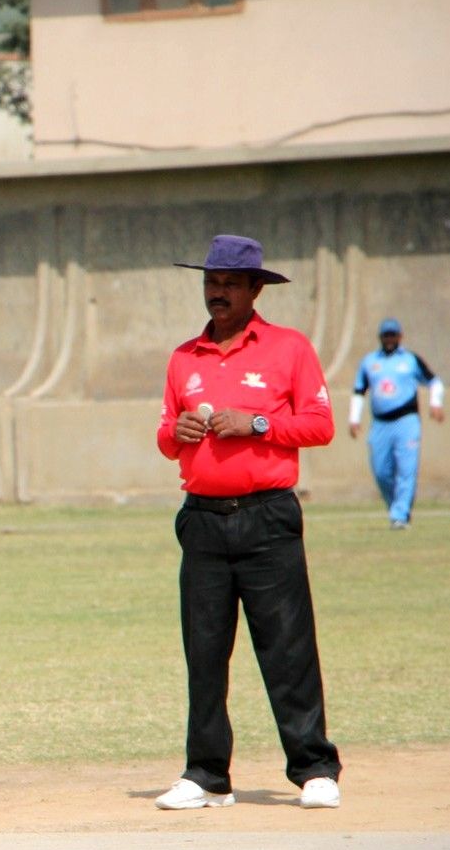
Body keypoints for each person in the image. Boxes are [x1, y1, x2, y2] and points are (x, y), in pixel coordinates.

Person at [155, 234, 342, 811]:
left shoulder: (289, 348)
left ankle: (314, 768)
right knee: (205, 653)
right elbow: (165, 435)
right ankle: (207, 775)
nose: (218, 293)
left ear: (256, 289)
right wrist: (177, 432)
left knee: (287, 648)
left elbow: (320, 425)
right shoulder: (184, 357)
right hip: (203, 521)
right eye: (211, 282)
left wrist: (257, 425)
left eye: (230, 284)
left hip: (268, 517)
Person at [348, 318, 444, 529]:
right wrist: (354, 418)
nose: (389, 339)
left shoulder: (410, 360)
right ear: (380, 337)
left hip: (406, 422)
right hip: (380, 423)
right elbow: (359, 391)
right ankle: (397, 508)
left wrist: (436, 403)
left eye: (393, 335)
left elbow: (434, 382)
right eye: (386, 335)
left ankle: (399, 515)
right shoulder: (369, 362)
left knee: (406, 470)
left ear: (400, 336)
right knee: (381, 471)